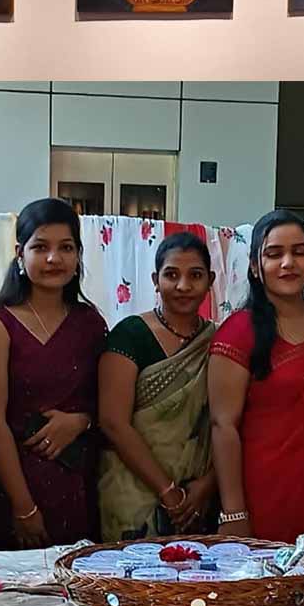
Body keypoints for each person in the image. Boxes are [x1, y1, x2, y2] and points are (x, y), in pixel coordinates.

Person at [0, 198, 106, 548]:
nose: (53, 258)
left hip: (83, 482)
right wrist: (23, 507)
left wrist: (81, 421)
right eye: (40, 247)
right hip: (16, 486)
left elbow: (107, 402)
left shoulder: (90, 323)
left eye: (66, 248)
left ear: (78, 255)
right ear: (20, 253)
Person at [209, 210, 304, 545]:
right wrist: (234, 513)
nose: (288, 263)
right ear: (255, 267)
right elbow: (223, 426)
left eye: (299, 252)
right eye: (274, 254)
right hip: (264, 493)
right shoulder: (239, 331)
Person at [99, 232, 218, 542]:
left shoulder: (218, 341)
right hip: (132, 494)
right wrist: (168, 492)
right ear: (155, 280)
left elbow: (227, 421)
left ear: (210, 281)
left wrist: (207, 485)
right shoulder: (130, 334)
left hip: (198, 499)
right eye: (171, 275)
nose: (183, 286)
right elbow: (113, 423)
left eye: (195, 275)